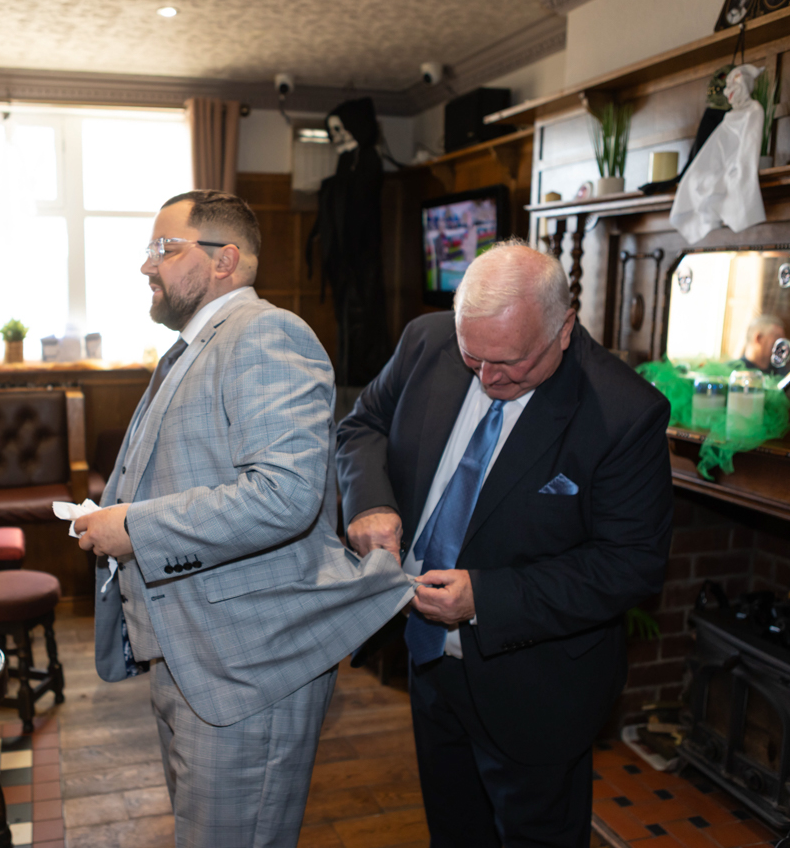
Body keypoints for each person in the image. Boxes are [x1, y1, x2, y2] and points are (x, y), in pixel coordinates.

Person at [73, 189, 413, 848]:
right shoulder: (194, 346)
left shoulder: (265, 334)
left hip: (248, 665)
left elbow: (283, 495)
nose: (147, 265)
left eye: (164, 248)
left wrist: (134, 528)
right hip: (193, 651)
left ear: (224, 259)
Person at [336, 241, 672, 848]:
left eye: (511, 363)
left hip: (535, 690)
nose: (488, 380)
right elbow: (363, 426)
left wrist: (485, 599)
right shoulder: (426, 341)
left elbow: (631, 564)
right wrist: (369, 504)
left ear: (563, 329)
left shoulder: (625, 412)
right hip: (428, 661)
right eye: (474, 357)